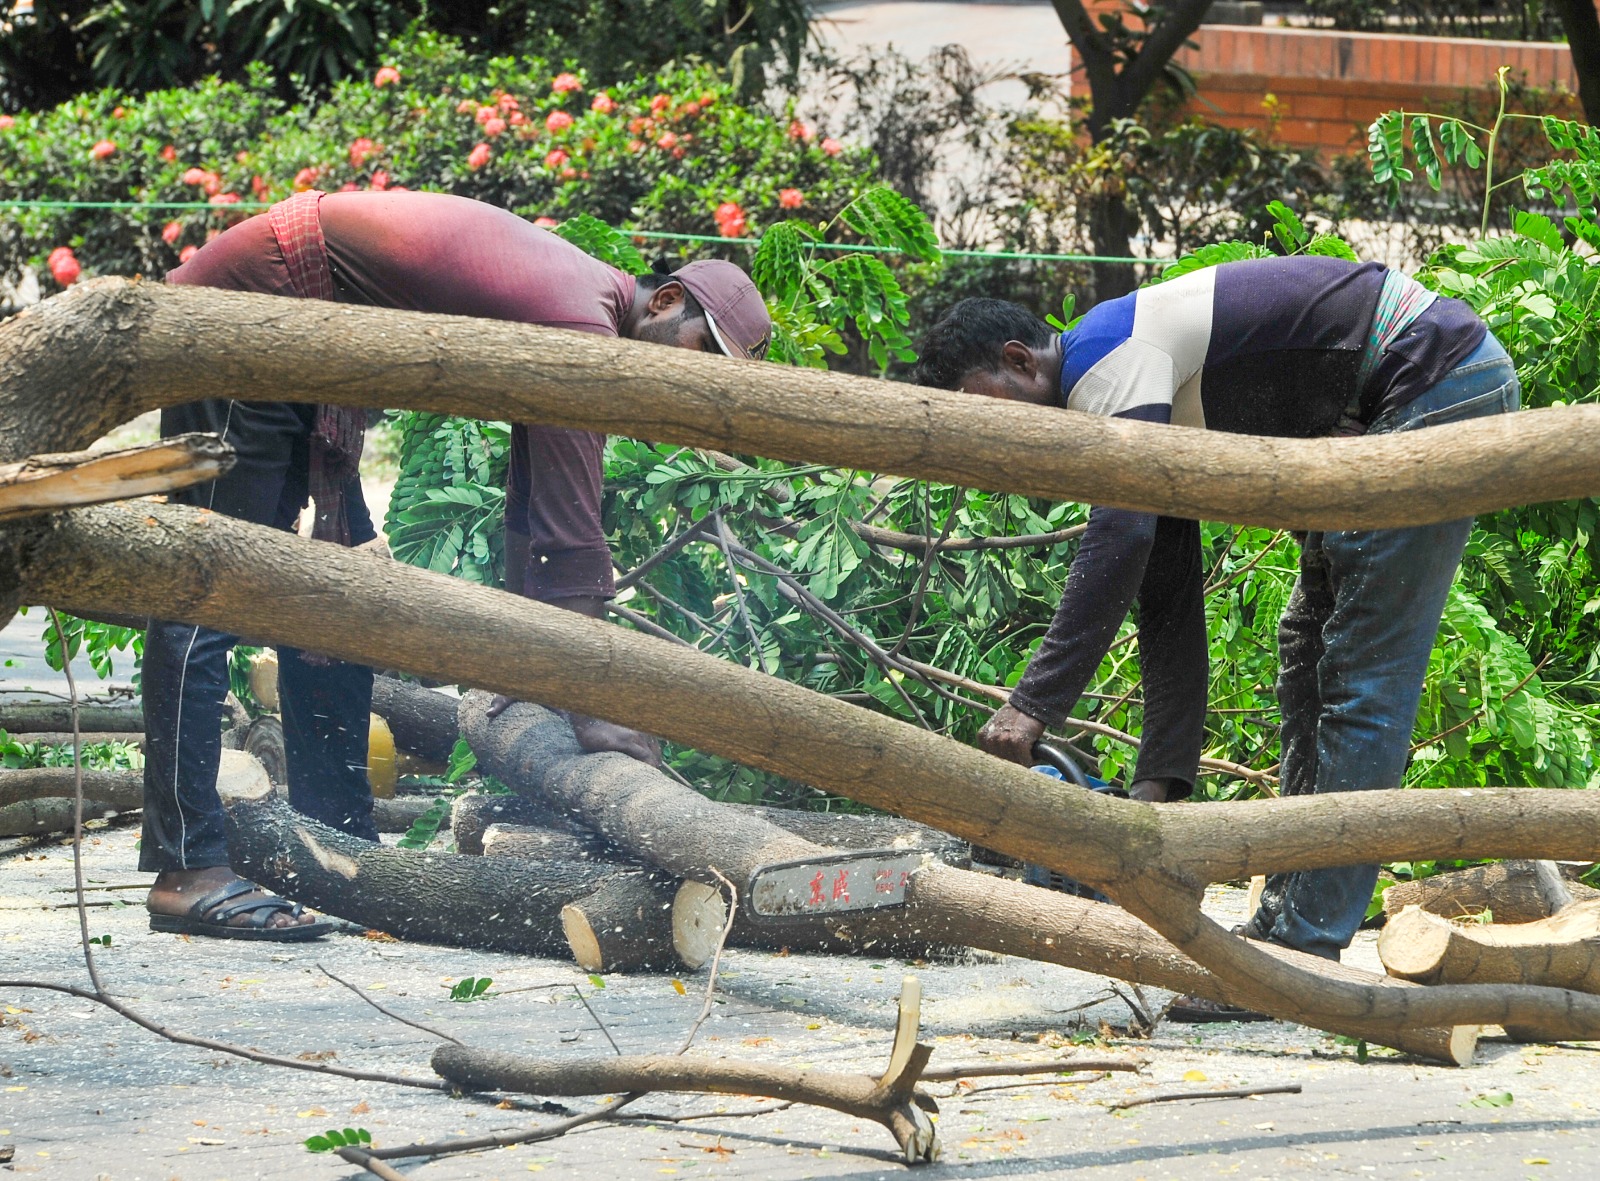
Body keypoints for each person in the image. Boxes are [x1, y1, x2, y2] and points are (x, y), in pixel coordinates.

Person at [143, 189, 771, 940]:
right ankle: (187, 870)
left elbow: (531, 507)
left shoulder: (584, 310)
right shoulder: (581, 327)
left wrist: (524, 665)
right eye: (702, 357)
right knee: (206, 590)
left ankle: (337, 855)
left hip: (298, 338)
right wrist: (593, 705)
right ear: (664, 302)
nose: (692, 386)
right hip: (249, 314)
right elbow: (569, 539)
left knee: (333, 600)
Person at [913, 256, 1519, 1016]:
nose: (997, 442)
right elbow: (1165, 594)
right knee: (1307, 653)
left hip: (1433, 375)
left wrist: (1031, 706)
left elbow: (1121, 538)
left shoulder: (1105, 358)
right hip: (1401, 388)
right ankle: (1285, 926)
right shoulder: (1134, 402)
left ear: (1019, 361)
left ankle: (1302, 953)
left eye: (988, 413)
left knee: (1363, 675)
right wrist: (1158, 787)